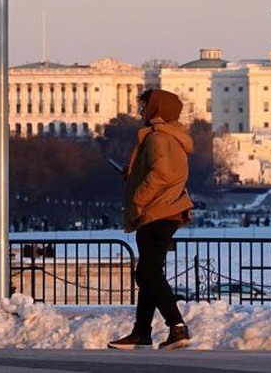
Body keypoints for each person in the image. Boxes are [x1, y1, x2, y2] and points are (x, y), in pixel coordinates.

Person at [108, 89, 194, 351]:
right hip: (163, 210)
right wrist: (133, 175)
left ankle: (177, 327)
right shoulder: (170, 137)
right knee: (147, 273)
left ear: (157, 108)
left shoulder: (158, 138)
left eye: (144, 106)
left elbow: (161, 175)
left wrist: (138, 198)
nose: (140, 111)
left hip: (158, 211)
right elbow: (162, 172)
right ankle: (142, 333)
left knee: (148, 272)